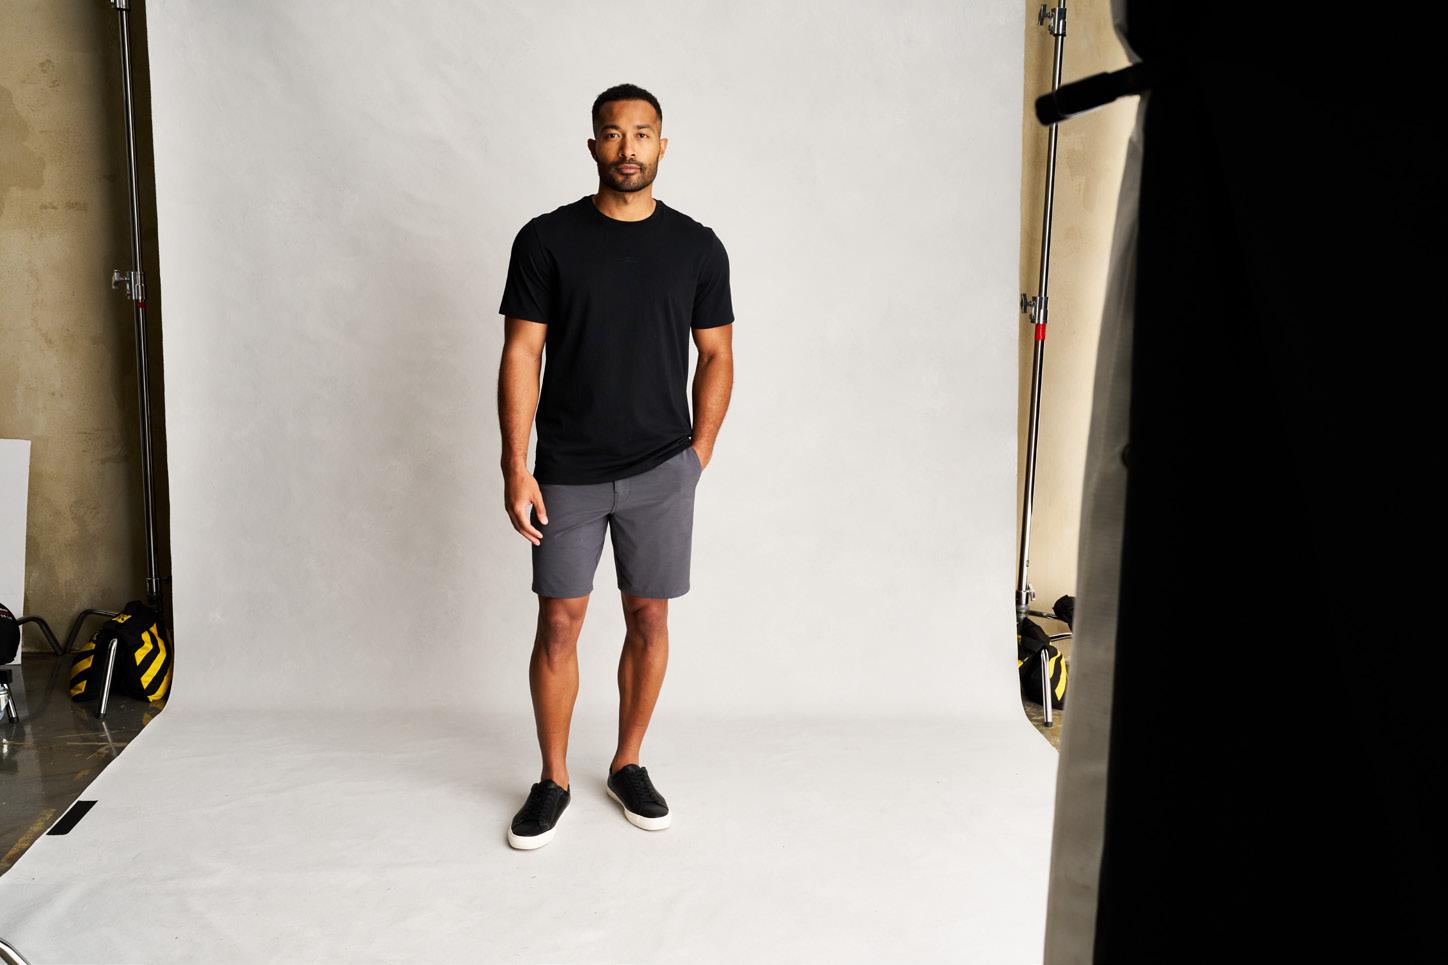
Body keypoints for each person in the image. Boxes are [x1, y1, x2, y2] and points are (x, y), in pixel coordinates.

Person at [496, 84, 734, 850]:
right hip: (566, 469)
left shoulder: (697, 246)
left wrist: (698, 453)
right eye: (612, 132)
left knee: (650, 616)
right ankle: (553, 778)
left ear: (662, 144)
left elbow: (717, 354)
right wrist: (516, 466)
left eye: (642, 132)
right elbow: (522, 351)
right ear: (593, 145)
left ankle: (627, 762)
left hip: (662, 468)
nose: (627, 147)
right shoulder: (547, 239)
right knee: (559, 621)